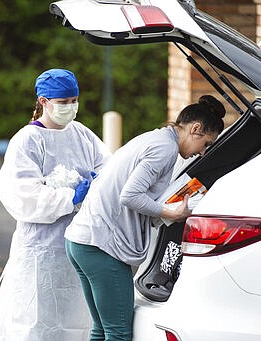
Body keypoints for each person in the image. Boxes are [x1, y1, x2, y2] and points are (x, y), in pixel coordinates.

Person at [65, 95, 226, 340]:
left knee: (102, 330)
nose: (203, 153)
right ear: (195, 129)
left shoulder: (154, 138)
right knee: (118, 333)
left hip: (82, 241)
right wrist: (169, 212)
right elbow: (129, 195)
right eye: (206, 143)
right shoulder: (165, 149)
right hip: (100, 246)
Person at [0, 69, 111, 341]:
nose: (70, 107)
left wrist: (98, 184)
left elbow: (107, 168)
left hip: (78, 242)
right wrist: (69, 197)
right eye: (63, 102)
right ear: (43, 101)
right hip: (40, 249)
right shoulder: (27, 140)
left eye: (74, 100)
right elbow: (21, 194)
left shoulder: (81, 134)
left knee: (76, 317)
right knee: (34, 319)